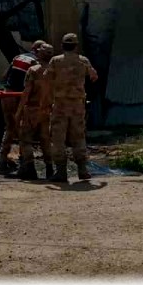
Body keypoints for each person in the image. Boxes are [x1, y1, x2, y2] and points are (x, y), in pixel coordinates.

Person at [46, 33, 98, 183]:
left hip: (60, 105)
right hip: (77, 105)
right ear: (76, 46)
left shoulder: (55, 61)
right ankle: (82, 169)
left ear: (62, 45)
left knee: (58, 138)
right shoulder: (83, 61)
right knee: (78, 136)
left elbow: (47, 78)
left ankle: (61, 171)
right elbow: (94, 77)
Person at [0, 41, 48, 175]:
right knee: (23, 131)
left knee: (9, 128)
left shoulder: (17, 57)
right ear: (38, 51)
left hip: (7, 94)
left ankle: (1, 162)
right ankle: (25, 166)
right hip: (20, 96)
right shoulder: (36, 64)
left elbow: (4, 76)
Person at [15, 43, 55, 180]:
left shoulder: (33, 70)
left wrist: (19, 111)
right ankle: (50, 168)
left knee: (25, 140)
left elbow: (26, 93)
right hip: (47, 110)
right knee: (45, 140)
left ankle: (30, 169)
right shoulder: (54, 71)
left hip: (32, 110)